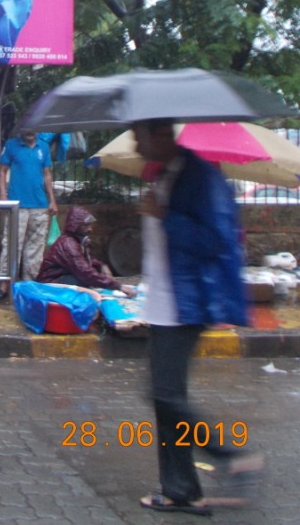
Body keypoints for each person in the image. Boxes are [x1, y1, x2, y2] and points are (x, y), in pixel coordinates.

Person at [133, 119, 262, 516]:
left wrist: (165, 214)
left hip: (186, 303)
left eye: (139, 138)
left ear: (160, 135)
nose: (136, 147)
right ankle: (181, 491)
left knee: (164, 395)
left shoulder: (201, 177)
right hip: (163, 300)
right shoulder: (166, 173)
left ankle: (231, 456)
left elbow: (217, 240)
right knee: (165, 400)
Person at [0, 130, 59, 290]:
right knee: (11, 245)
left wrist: (52, 200)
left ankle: (30, 285)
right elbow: (2, 171)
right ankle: (5, 284)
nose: (29, 131)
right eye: (26, 128)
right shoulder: (11, 145)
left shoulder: (44, 147)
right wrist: (3, 196)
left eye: (33, 128)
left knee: (36, 248)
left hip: (40, 205)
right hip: (17, 205)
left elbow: (47, 174)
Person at [36, 206, 137, 296]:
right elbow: (85, 272)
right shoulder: (68, 244)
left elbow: (88, 259)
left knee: (91, 277)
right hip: (49, 284)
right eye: (85, 226)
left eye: (89, 225)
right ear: (75, 226)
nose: (90, 229)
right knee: (82, 281)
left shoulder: (78, 240)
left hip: (61, 277)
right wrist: (118, 286)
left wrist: (101, 265)